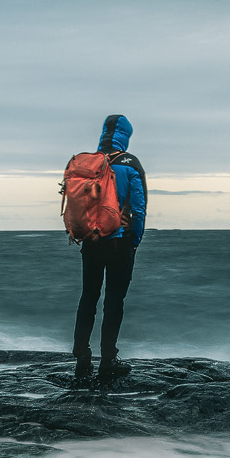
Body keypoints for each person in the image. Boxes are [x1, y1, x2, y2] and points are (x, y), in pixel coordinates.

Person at [72, 114, 147, 386]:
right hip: (120, 242)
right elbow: (138, 208)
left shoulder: (88, 162)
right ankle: (108, 361)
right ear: (126, 135)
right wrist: (135, 239)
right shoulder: (130, 163)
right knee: (114, 301)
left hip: (90, 241)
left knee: (88, 298)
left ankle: (81, 359)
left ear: (103, 133)